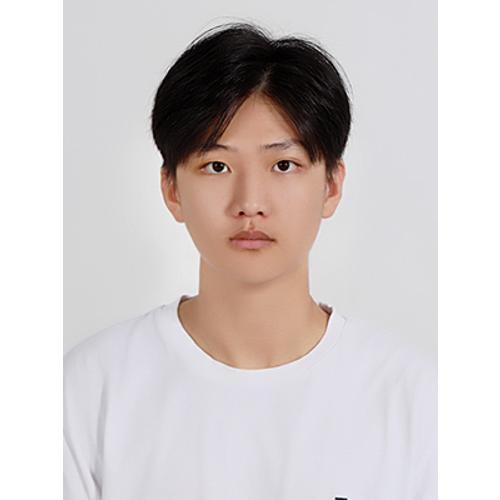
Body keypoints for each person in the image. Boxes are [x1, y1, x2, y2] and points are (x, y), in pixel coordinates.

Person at [64, 22, 437, 500]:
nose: (250, 203)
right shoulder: (89, 391)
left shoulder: (415, 399)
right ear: (172, 189)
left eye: (283, 165)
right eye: (216, 166)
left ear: (331, 185)